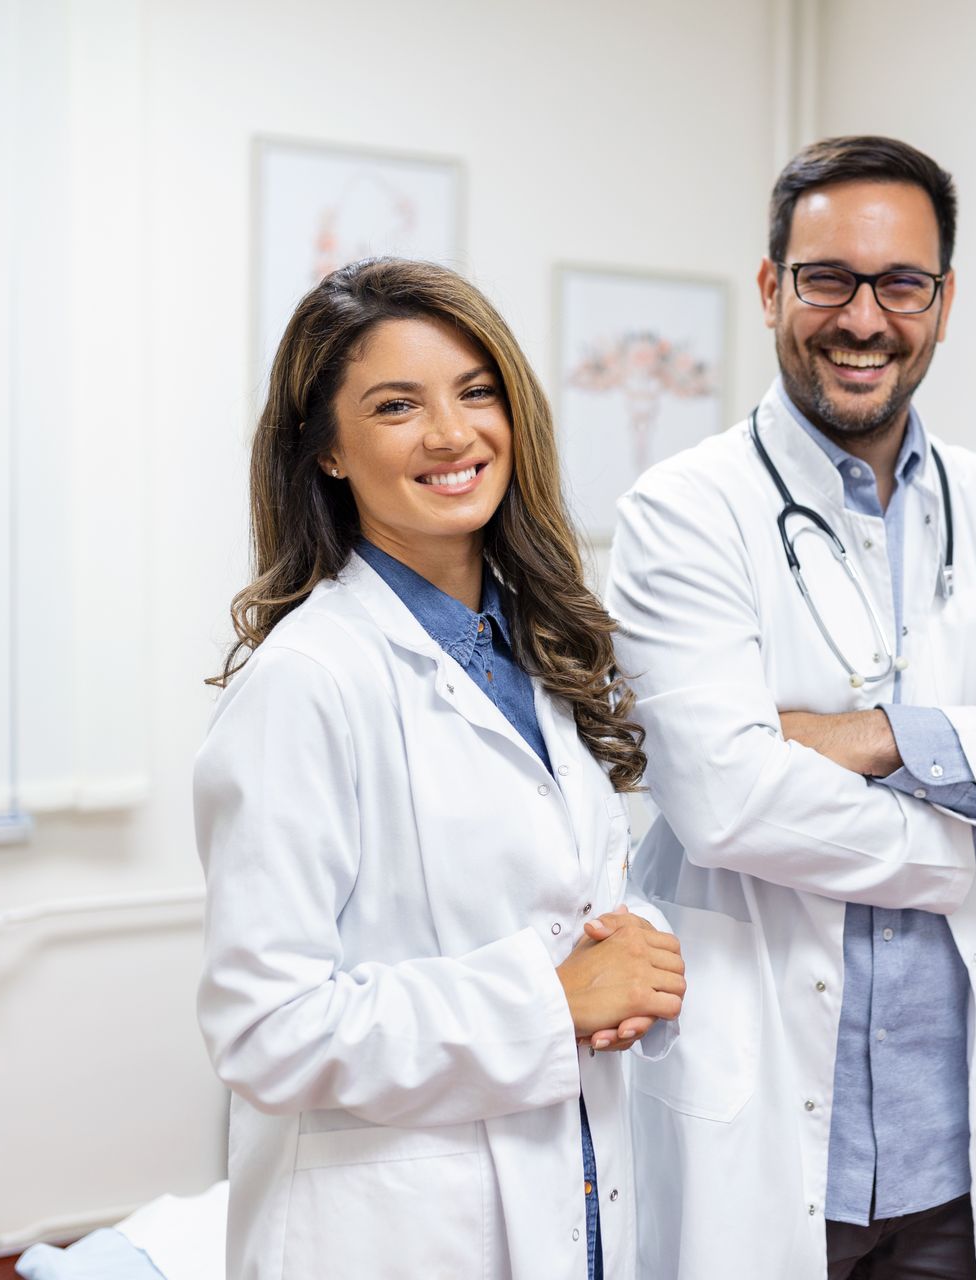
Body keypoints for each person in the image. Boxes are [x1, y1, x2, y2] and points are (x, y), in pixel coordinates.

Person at [604, 137, 976, 1278]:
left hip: (964, 1143)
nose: (865, 319)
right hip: (770, 1142)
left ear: (943, 304)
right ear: (771, 289)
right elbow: (726, 803)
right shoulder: (684, 511)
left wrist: (881, 735)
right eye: (828, 280)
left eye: (901, 284)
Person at [195, 257, 684, 1280]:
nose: (453, 434)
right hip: (394, 1230)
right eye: (395, 405)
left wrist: (634, 950)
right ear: (327, 449)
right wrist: (554, 999)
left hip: (576, 1192)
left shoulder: (533, 648)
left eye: (475, 391)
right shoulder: (308, 681)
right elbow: (267, 1029)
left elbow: (549, 898)